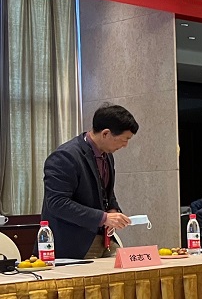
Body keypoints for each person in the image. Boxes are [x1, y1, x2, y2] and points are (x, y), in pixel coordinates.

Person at [41, 104, 138, 259]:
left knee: (130, 267)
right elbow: (57, 203)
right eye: (124, 139)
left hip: (105, 239)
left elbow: (105, 191)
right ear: (106, 133)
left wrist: (113, 209)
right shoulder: (65, 157)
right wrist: (103, 218)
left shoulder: (107, 154)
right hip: (75, 243)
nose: (125, 145)